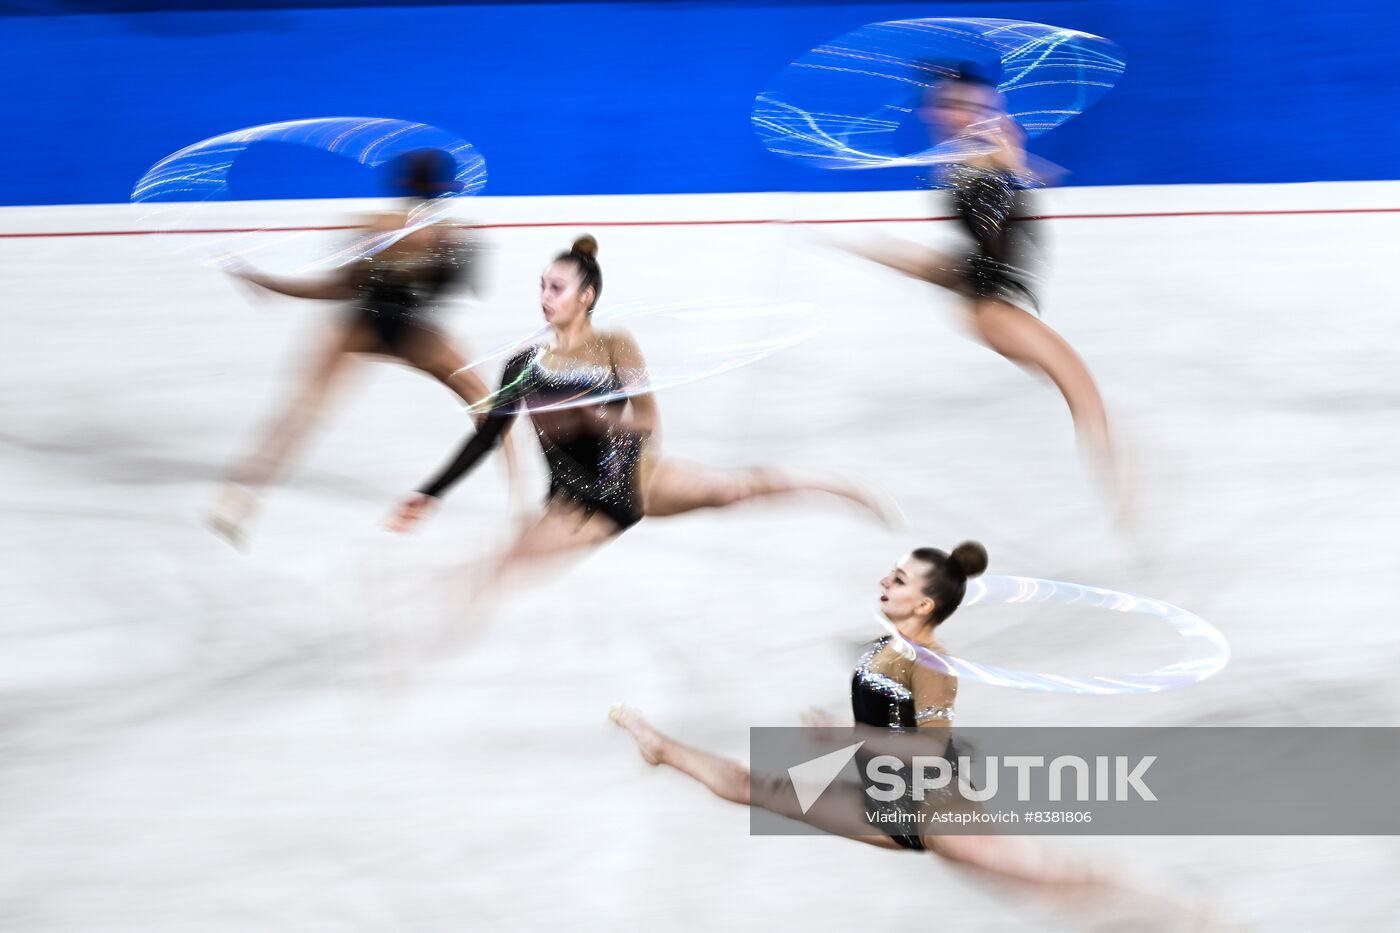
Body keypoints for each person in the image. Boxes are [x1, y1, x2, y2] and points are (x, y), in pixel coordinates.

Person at [388, 235, 892, 601]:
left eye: (557, 288)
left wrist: (634, 457)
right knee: (499, 570)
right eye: (542, 286)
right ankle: (404, 622)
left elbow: (648, 413)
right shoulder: (523, 366)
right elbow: (488, 436)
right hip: (578, 500)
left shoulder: (615, 343)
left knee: (739, 489)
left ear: (586, 297)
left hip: (636, 478)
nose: (545, 297)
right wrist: (430, 492)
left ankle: (839, 487)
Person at [206, 149, 518, 546]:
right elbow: (465, 288)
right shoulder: (454, 233)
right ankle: (521, 508)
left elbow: (337, 287)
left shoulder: (374, 226)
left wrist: (271, 284)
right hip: (415, 333)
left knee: (301, 414)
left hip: (361, 327)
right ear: (443, 188)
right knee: (489, 407)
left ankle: (238, 500)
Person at [845, 63, 1121, 507]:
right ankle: (1119, 492)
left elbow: (1011, 202)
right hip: (994, 306)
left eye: (976, 105)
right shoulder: (972, 161)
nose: (974, 114)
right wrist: (1016, 166)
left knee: (942, 267)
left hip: (981, 282)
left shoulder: (975, 153)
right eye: (954, 106)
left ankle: (876, 251)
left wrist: (1022, 164)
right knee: (1084, 394)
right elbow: (999, 213)